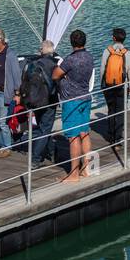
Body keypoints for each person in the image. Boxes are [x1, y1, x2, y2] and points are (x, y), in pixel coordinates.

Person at [52, 29, 95, 183]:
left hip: (72, 101)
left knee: (73, 136)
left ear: (71, 43)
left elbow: (55, 74)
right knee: (85, 132)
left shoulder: (70, 60)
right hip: (85, 97)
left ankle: (74, 174)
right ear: (84, 42)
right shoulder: (89, 57)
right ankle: (86, 169)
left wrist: (64, 75)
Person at [22, 40, 60, 166]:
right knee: (46, 129)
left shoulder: (33, 63)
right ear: (52, 51)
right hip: (49, 101)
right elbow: (57, 83)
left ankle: (51, 152)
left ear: (41, 50)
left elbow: (24, 81)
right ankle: (35, 159)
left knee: (41, 128)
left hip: (35, 101)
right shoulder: (53, 65)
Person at [98, 28, 130, 143]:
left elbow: (102, 69)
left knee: (111, 110)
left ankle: (111, 135)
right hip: (122, 86)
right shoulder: (127, 53)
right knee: (120, 111)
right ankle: (118, 139)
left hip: (108, 85)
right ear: (124, 38)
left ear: (113, 38)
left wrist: (102, 85)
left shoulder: (107, 51)